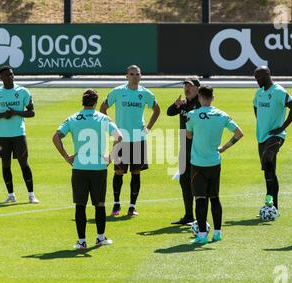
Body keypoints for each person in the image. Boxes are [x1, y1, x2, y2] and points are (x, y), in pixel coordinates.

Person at [53, 89, 123, 250]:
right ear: (96, 102)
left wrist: (66, 156)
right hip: (98, 167)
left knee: (80, 205)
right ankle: (100, 238)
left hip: (79, 168)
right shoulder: (104, 118)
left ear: (82, 102)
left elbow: (56, 137)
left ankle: (81, 241)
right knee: (99, 204)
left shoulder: (72, 118)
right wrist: (110, 157)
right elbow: (119, 137)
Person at [100, 65, 160, 217]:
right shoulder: (118, 92)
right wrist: (112, 127)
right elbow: (103, 107)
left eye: (137, 74)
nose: (135, 76)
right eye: (132, 74)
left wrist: (148, 127)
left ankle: (132, 206)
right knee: (119, 172)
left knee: (136, 172)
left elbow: (156, 109)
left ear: (141, 76)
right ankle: (116, 204)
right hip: (121, 139)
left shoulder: (145, 93)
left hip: (138, 139)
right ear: (126, 76)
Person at [186, 86, 243, 244]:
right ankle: (217, 233)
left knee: (200, 199)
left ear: (200, 97)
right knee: (215, 198)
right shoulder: (222, 115)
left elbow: (189, 135)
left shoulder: (192, 115)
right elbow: (239, 133)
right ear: (213, 97)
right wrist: (224, 147)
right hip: (214, 162)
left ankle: (202, 235)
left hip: (198, 164)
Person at [0, 66, 39, 204]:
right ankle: (11, 195)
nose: (10, 77)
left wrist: (16, 112)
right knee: (5, 165)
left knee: (24, 163)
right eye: (6, 75)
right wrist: (3, 114)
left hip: (19, 134)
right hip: (3, 136)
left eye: (11, 74)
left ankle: (31, 195)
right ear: (1, 77)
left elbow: (31, 112)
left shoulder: (23, 91)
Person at [253, 66, 292, 211]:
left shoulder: (279, 91)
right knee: (269, 170)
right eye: (255, 78)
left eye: (259, 78)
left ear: (267, 75)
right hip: (262, 137)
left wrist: (282, 127)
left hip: (276, 136)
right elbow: (255, 107)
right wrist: (261, 122)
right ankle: (272, 205)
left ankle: (272, 204)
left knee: (267, 158)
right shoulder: (259, 93)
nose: (257, 81)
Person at [167, 77, 201, 225]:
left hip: (196, 148)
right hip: (184, 148)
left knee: (197, 183)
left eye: (190, 86)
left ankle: (201, 217)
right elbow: (169, 112)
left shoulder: (201, 104)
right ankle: (188, 215)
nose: (186, 89)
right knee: (184, 181)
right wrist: (176, 105)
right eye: (185, 86)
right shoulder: (184, 104)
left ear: (198, 88)